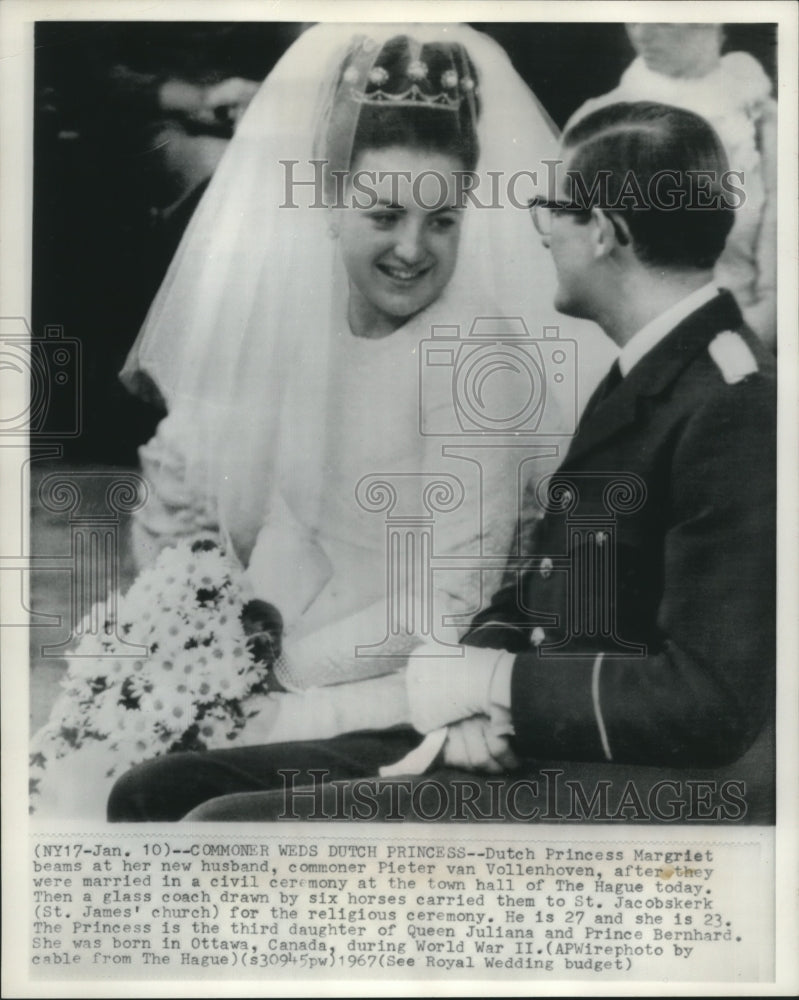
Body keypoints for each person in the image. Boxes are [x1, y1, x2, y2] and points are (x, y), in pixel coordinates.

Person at [108, 100, 776, 822]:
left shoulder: (731, 405)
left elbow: (710, 704)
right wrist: (473, 687)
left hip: (612, 778)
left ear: (605, 235)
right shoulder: (652, 371)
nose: (540, 232)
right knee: (154, 791)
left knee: (216, 828)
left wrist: (496, 689)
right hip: (532, 736)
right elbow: (550, 585)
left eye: (551, 207)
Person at [117, 25, 610, 746]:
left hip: (418, 677)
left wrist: (281, 676)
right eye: (384, 214)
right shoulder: (312, 319)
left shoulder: (477, 357)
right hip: (305, 644)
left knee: (182, 773)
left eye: (441, 221)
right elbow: (295, 519)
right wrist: (228, 650)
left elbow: (450, 602)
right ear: (328, 197)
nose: (413, 249)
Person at [565, 23, 777, 349]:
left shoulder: (762, 118)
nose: (641, 32)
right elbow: (574, 257)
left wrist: (728, 357)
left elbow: (780, 285)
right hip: (624, 344)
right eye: (633, 15)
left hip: (743, 343)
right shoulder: (597, 120)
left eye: (662, 18)